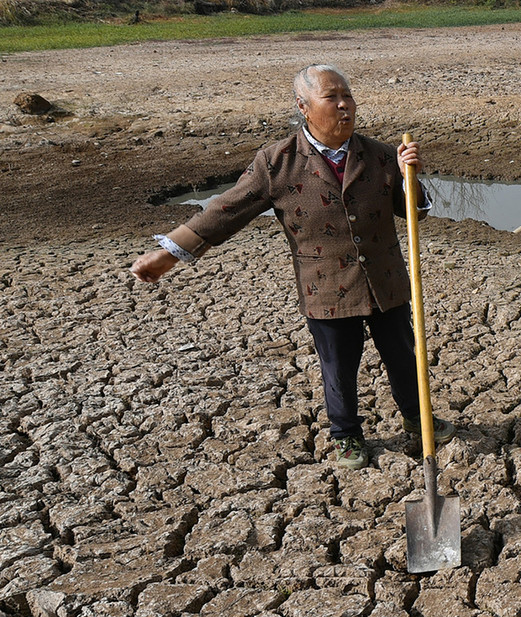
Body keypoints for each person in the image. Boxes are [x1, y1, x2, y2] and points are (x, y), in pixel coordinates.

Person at [130, 63, 455, 470]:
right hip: (326, 288)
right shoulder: (276, 163)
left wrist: (412, 179)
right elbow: (225, 211)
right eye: (331, 97)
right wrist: (170, 253)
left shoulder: (383, 154)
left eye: (347, 96)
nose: (344, 105)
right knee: (338, 366)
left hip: (387, 282)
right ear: (304, 106)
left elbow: (413, 212)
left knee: (403, 355)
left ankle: (416, 416)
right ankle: (346, 435)